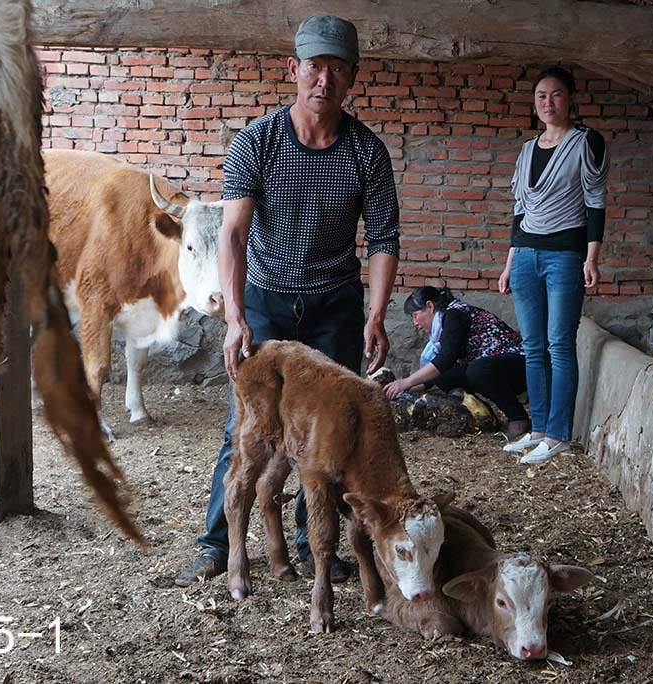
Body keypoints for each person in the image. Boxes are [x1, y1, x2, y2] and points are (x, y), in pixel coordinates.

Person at [175, 15, 400, 587]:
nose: (324, 79)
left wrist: (375, 314)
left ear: (351, 78)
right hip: (268, 300)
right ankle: (216, 545)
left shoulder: (366, 153)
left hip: (333, 304)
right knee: (244, 429)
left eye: (338, 69)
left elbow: (383, 240)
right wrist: (235, 316)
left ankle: (310, 545)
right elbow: (232, 234)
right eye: (315, 66)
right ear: (294, 69)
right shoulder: (258, 140)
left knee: (329, 432)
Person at [497, 66, 609, 465]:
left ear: (571, 99)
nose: (548, 102)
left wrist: (591, 257)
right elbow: (518, 211)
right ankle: (539, 429)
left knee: (559, 344)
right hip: (525, 255)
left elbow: (595, 202)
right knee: (532, 346)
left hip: (564, 255)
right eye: (541, 95)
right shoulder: (528, 149)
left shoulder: (586, 142)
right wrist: (509, 264)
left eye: (556, 94)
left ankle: (559, 433)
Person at [383, 286, 530, 438]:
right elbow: (437, 371)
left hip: (518, 365)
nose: (414, 322)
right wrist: (404, 387)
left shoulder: (455, 314)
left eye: (415, 315)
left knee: (477, 370)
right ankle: (481, 415)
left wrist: (407, 381)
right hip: (491, 368)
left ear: (430, 306)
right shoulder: (442, 325)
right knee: (443, 376)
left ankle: (518, 418)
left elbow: (446, 358)